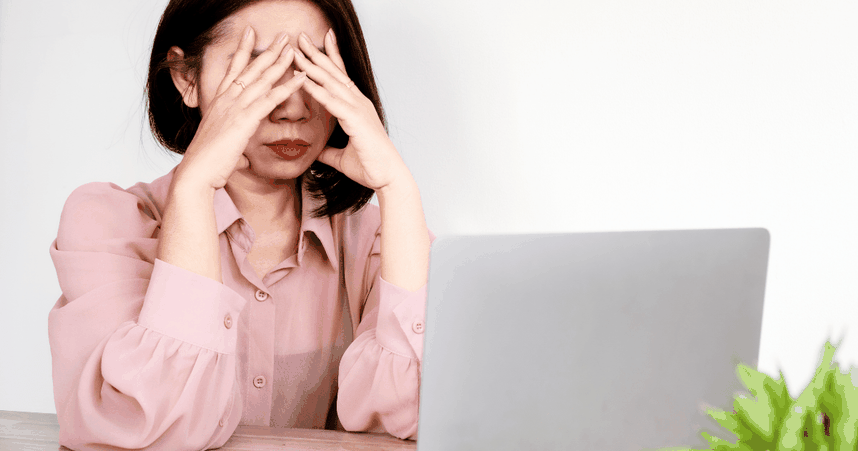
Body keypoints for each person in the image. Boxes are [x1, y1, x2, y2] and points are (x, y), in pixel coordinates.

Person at [47, 0, 431, 449]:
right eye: (262, 70)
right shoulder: (108, 223)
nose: (293, 108)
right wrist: (193, 189)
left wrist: (398, 189)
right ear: (186, 79)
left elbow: (411, 416)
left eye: (313, 68)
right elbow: (138, 428)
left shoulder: (378, 241)